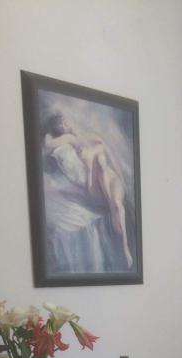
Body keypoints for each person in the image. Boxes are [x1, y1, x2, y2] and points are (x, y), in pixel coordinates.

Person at [43, 112, 133, 269]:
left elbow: (103, 147)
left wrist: (95, 152)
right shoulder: (70, 139)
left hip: (112, 179)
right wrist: (48, 133)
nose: (65, 124)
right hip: (96, 185)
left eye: (65, 121)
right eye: (61, 124)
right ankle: (124, 245)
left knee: (117, 203)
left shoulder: (87, 135)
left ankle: (125, 245)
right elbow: (48, 143)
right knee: (101, 167)